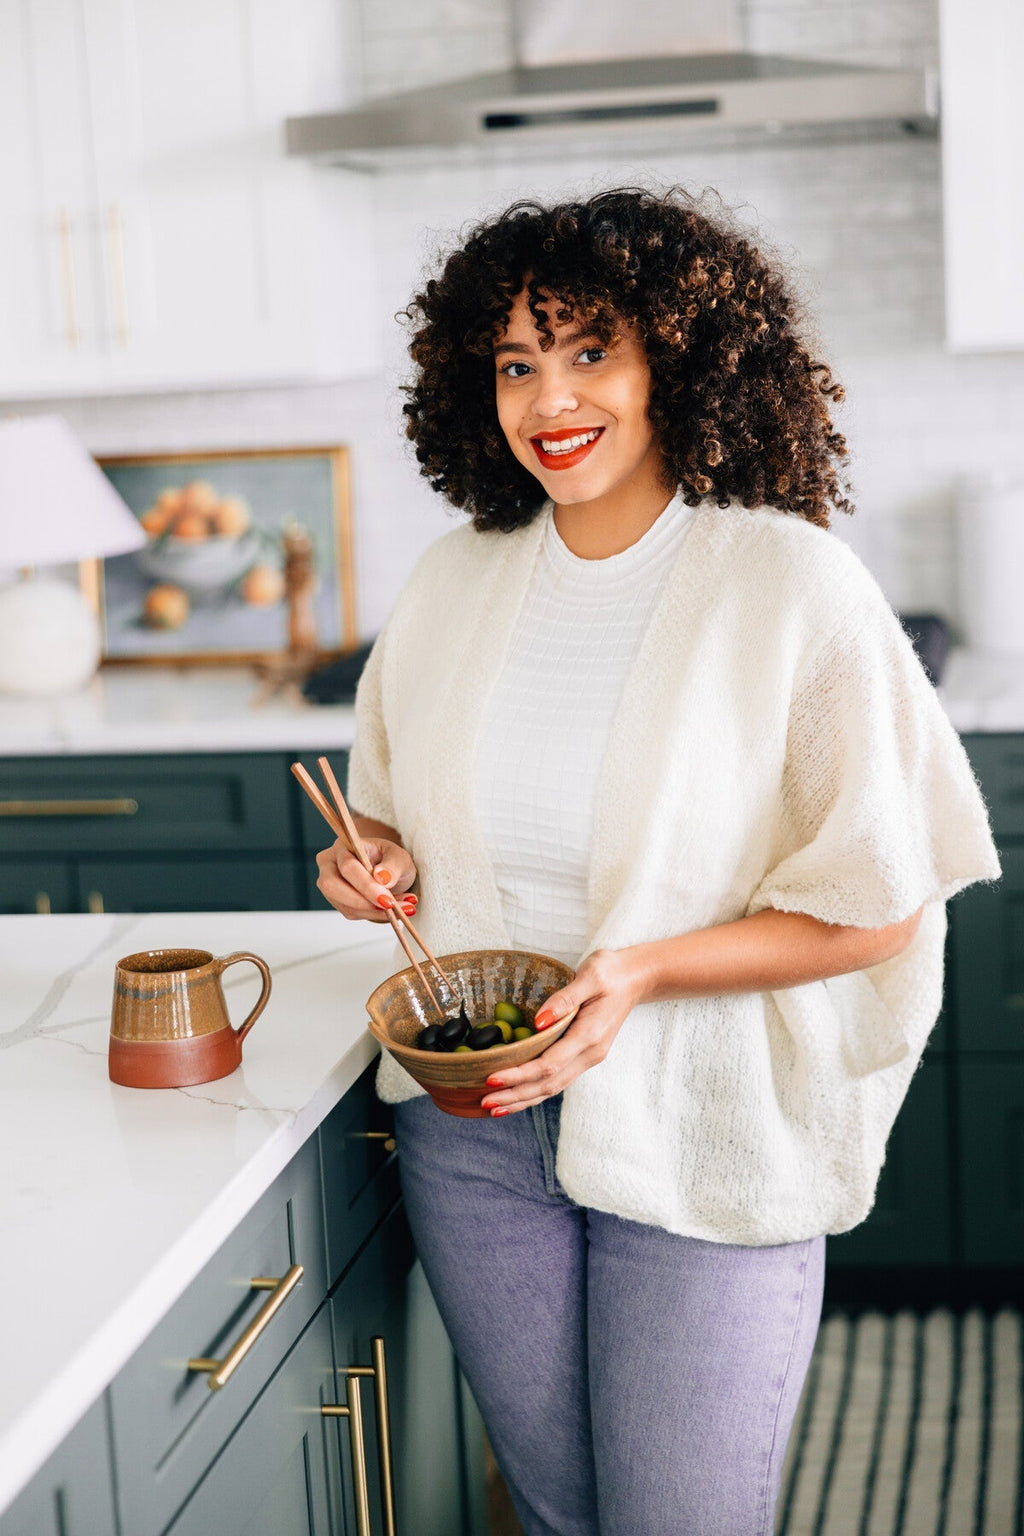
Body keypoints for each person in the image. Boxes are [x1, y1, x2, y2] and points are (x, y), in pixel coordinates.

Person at [315, 186, 1000, 1536]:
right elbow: (385, 823)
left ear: (679, 363)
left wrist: (640, 972)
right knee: (561, 1517)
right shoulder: (454, 582)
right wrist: (372, 862)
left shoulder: (788, 585)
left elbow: (880, 904)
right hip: (474, 1125)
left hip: (703, 1115)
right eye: (516, 363)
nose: (550, 399)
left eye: (591, 351)